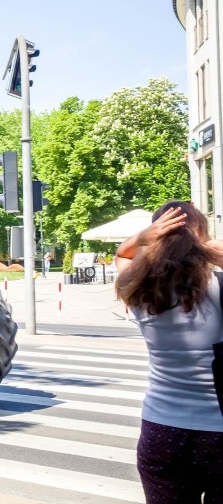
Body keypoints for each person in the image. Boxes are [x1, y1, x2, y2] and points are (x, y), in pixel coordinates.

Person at [114, 201, 223, 502]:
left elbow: (122, 255)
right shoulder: (219, 286)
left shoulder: (139, 288)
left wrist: (140, 239)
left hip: (162, 431)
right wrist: (205, 248)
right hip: (219, 432)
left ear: (155, 236)